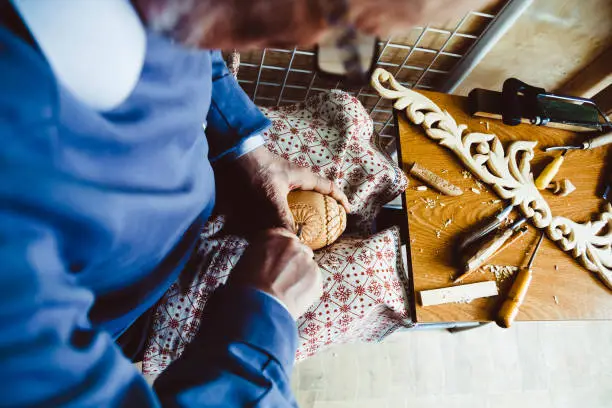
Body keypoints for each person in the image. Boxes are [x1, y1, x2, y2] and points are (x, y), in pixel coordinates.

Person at [0, 0, 484, 406]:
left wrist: (246, 147)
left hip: (197, 198)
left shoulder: (165, 13)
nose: (289, 45)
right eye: (332, 19)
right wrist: (264, 315)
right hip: (127, 312)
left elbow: (193, 54)